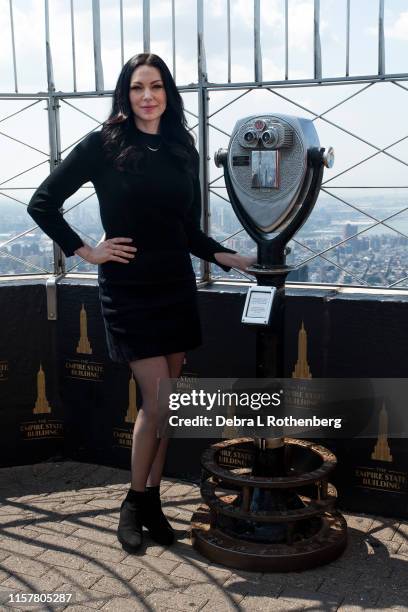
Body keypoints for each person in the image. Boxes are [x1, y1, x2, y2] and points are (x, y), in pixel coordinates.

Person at [27, 52, 256, 553]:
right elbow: (42, 202)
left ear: (168, 94)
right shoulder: (103, 143)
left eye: (156, 86)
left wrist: (226, 257)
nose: (147, 96)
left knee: (169, 406)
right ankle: (133, 502)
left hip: (174, 284)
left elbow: (186, 229)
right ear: (124, 94)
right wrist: (87, 250)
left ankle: (150, 500)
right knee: (157, 402)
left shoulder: (181, 148)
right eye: (137, 87)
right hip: (128, 289)